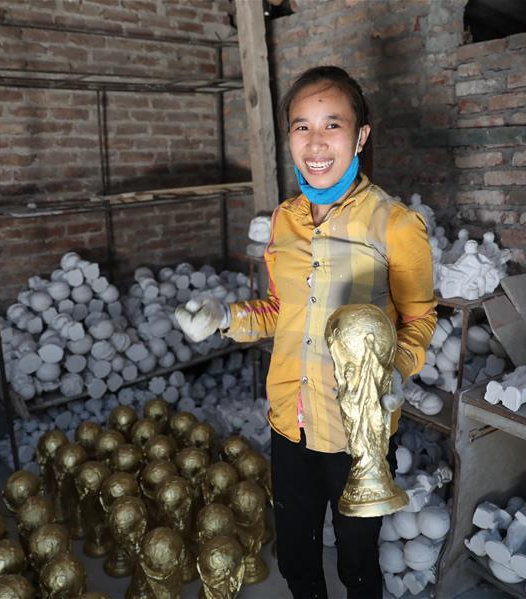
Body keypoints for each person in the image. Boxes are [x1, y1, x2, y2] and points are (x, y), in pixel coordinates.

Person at [175, 66, 436, 598]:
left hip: (355, 431)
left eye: (332, 125)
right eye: (301, 127)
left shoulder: (395, 224)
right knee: (296, 557)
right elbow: (280, 310)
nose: (315, 144)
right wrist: (225, 317)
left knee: (358, 564)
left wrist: (393, 371)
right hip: (288, 422)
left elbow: (420, 320)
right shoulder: (284, 221)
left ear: (361, 135)